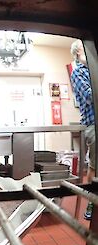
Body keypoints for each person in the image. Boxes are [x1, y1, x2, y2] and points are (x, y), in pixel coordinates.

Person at [70, 39, 96, 220]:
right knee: (95, 166)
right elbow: (89, 96)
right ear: (78, 53)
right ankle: (91, 204)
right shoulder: (78, 73)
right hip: (93, 124)